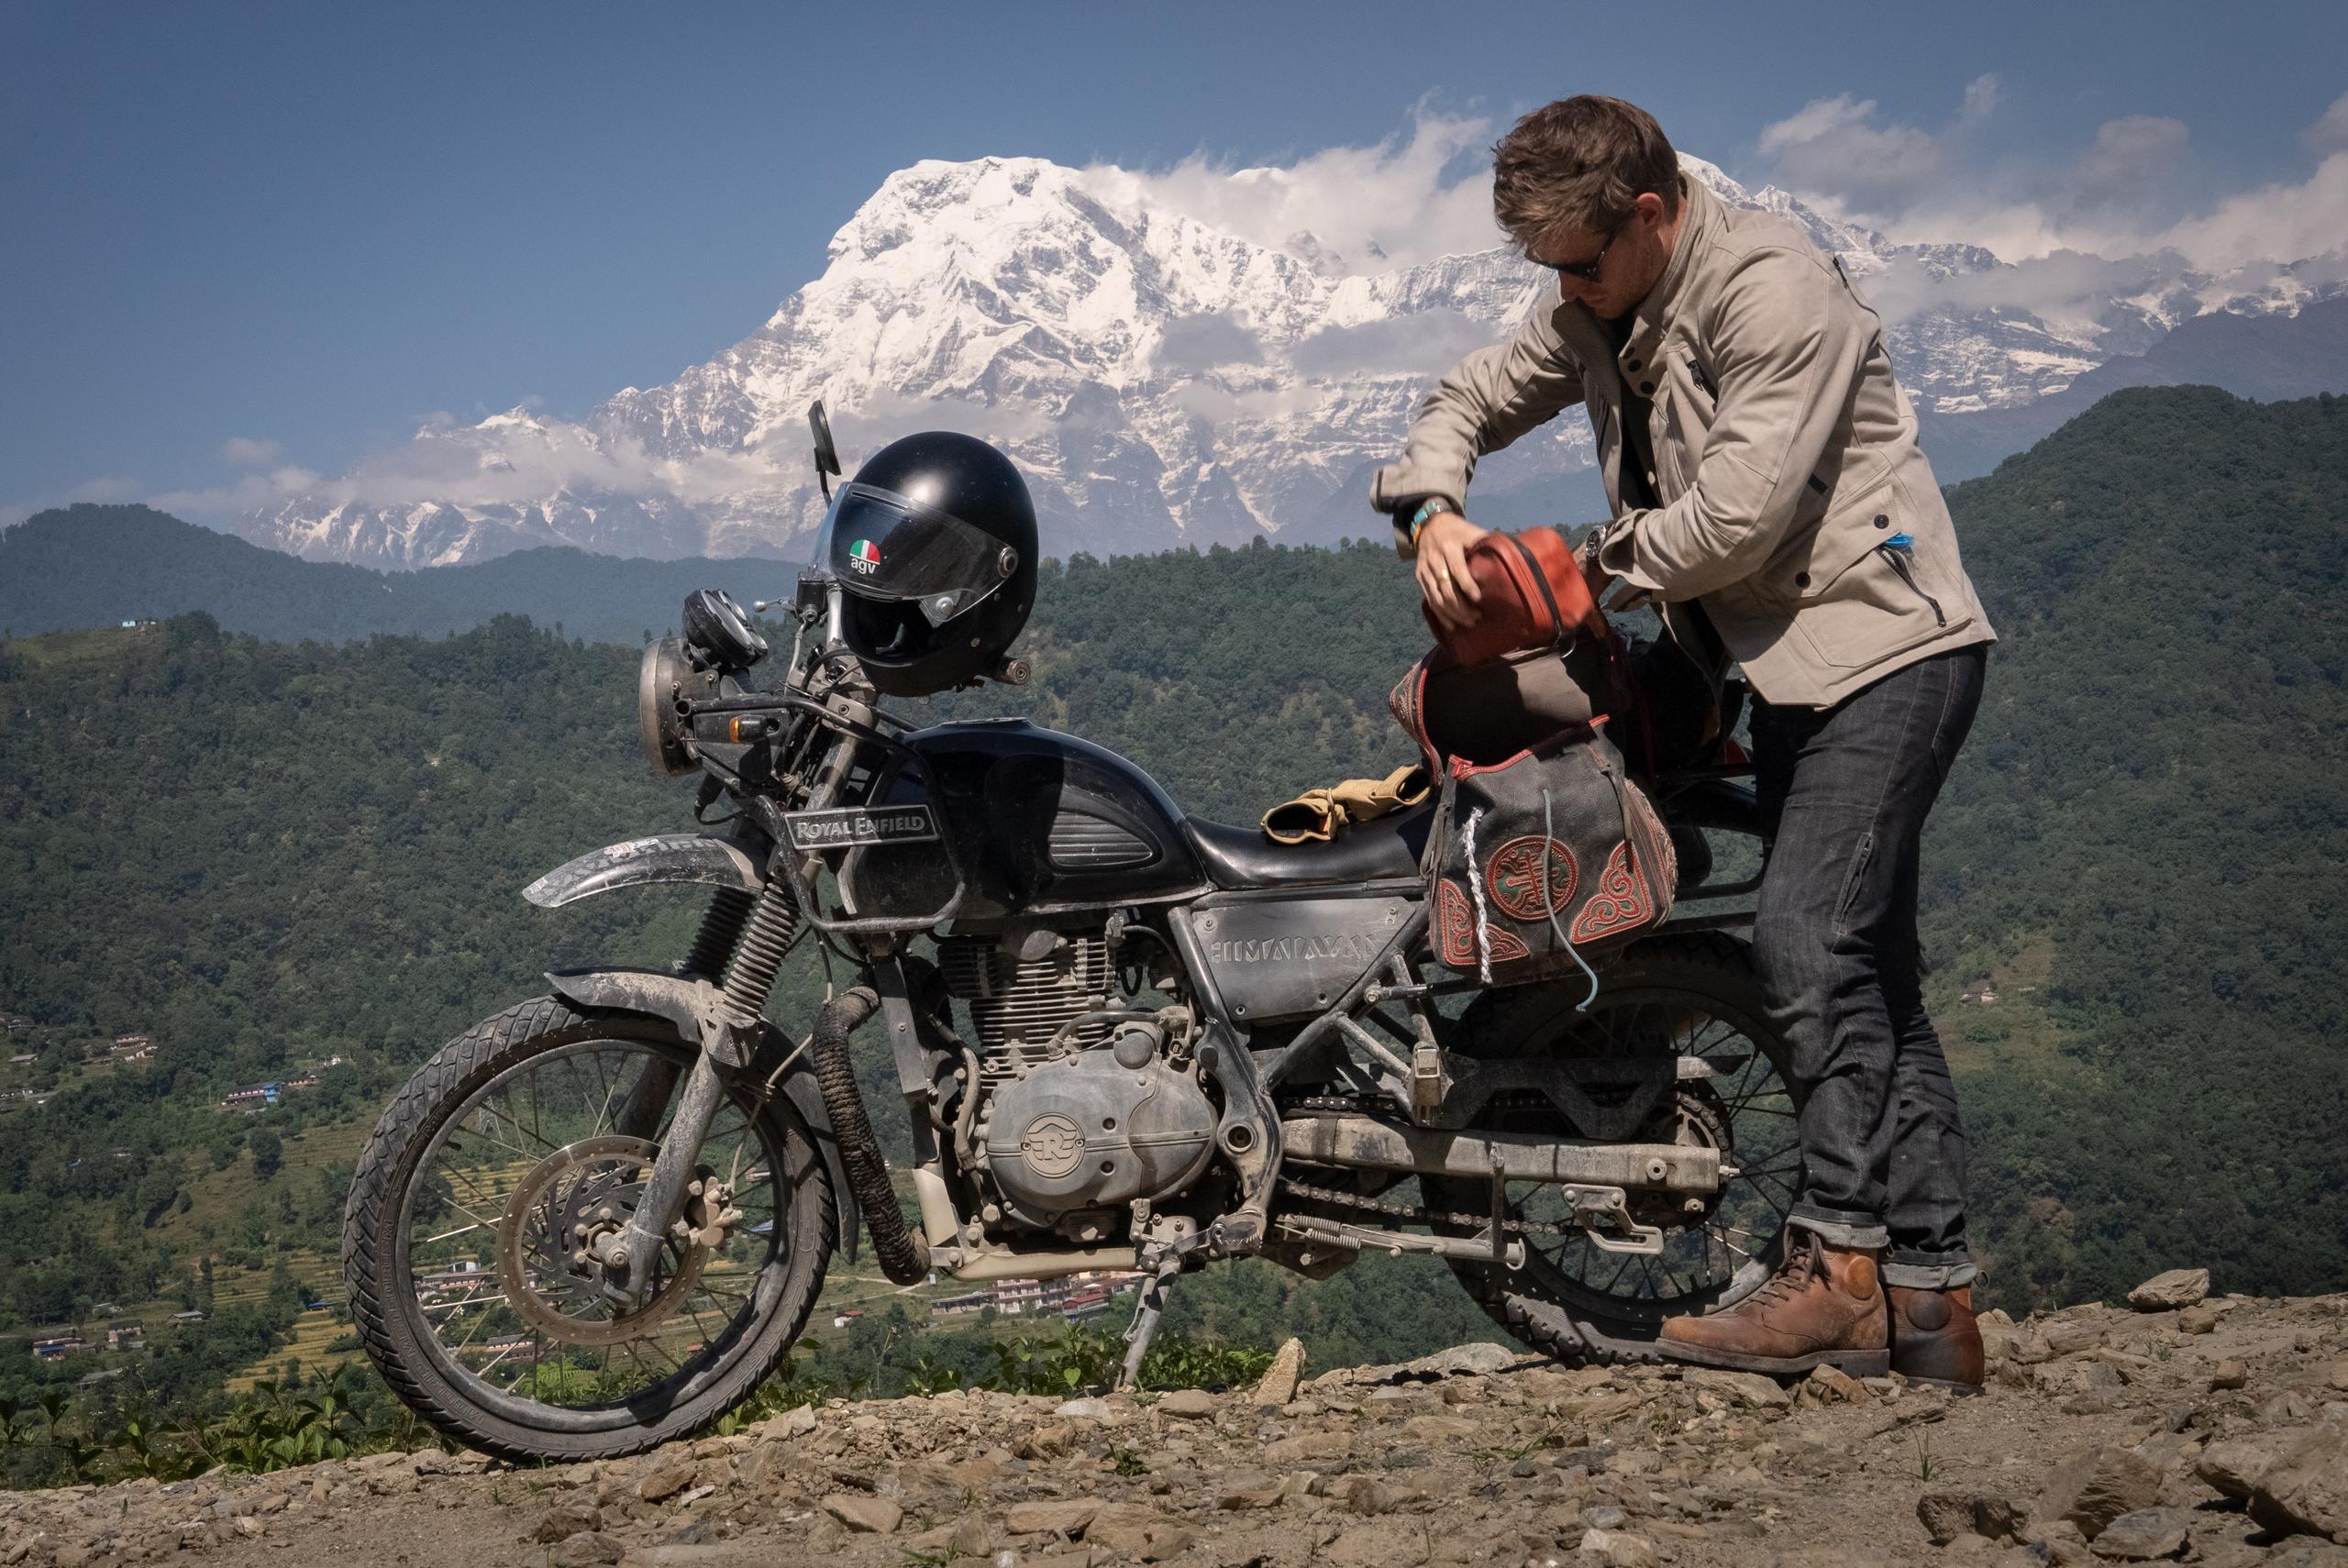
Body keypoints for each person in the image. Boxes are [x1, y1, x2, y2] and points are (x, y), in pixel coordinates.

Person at [1373, 95, 1996, 1388]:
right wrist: (1435, 506)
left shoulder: (1776, 293)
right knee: (1872, 965)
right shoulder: (1603, 298)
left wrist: (1565, 566)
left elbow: (1736, 524)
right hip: (1778, 670)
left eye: (1582, 261)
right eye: (1547, 268)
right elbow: (1474, 392)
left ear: (1650, 214)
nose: (1564, 287)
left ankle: (1835, 1272)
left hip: (1889, 652)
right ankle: (1931, 1303)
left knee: (1805, 944)